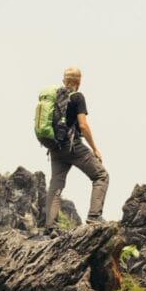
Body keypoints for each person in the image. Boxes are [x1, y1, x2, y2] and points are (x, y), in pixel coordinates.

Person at [43, 67, 109, 233]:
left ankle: (50, 226)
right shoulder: (77, 97)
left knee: (56, 184)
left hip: (55, 147)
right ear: (78, 81)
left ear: (64, 80)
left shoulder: (55, 97)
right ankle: (94, 216)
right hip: (72, 146)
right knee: (101, 175)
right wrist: (95, 149)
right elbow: (83, 125)